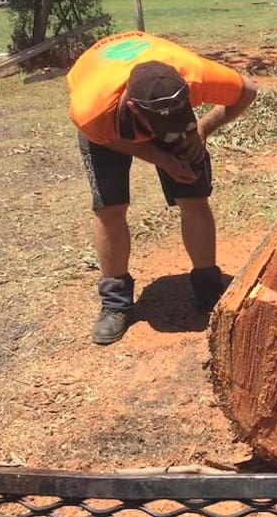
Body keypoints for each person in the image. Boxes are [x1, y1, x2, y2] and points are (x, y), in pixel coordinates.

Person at [67, 30, 257, 345]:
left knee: (194, 197)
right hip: (107, 124)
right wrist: (159, 156)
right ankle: (115, 303)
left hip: (157, 106)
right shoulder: (93, 109)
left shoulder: (198, 74)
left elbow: (247, 91)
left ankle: (209, 289)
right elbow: (110, 139)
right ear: (133, 108)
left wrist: (201, 129)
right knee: (109, 206)